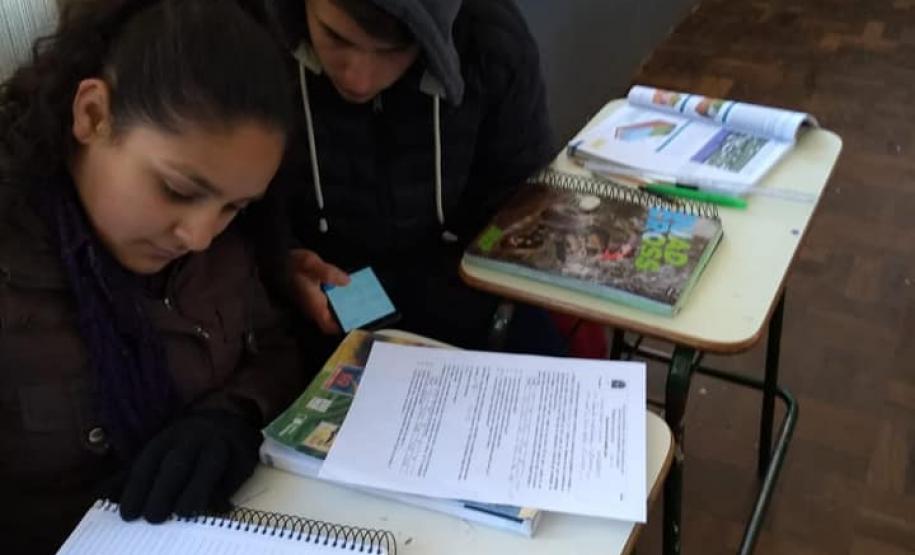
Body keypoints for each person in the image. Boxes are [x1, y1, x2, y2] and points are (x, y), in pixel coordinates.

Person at [0, 0, 305, 551]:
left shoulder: (225, 245)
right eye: (179, 191)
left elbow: (278, 344)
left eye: (234, 206)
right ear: (92, 115)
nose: (200, 236)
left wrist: (231, 415)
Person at [265, 0, 566, 354]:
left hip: (457, 287)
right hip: (312, 303)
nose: (358, 81)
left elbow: (522, 207)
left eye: (392, 50)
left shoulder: (492, 43)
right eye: (335, 37)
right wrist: (279, 259)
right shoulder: (255, 32)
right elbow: (233, 207)